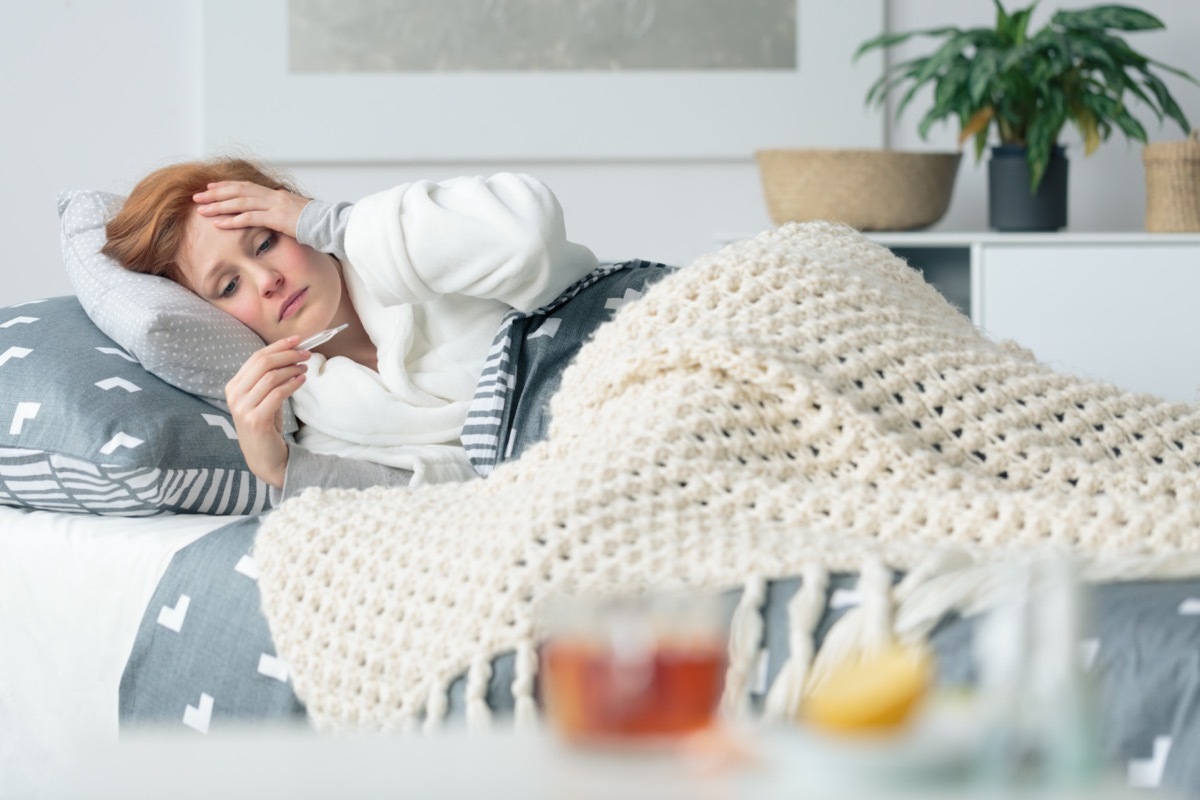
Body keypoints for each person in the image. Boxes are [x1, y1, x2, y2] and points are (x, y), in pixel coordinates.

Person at [101, 157, 654, 501]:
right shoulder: (324, 410)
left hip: (645, 342)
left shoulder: (409, 248)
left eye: (266, 241)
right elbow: (430, 493)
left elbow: (528, 238)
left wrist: (330, 220)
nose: (267, 279)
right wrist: (279, 465)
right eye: (228, 286)